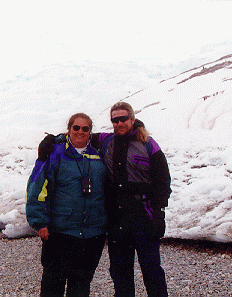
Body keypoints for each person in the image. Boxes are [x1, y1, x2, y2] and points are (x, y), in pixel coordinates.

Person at [39, 102, 172, 296]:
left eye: (123, 119)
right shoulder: (106, 140)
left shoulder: (149, 145)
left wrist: (159, 214)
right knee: (120, 274)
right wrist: (54, 140)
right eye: (115, 119)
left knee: (152, 272)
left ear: (132, 119)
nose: (119, 123)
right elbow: (80, 135)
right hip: (117, 221)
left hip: (144, 217)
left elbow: (163, 182)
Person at [26, 113, 107, 297]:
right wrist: (39, 222)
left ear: (90, 132)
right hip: (60, 232)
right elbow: (37, 188)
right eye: (76, 127)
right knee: (53, 283)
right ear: (69, 129)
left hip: (92, 234)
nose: (80, 132)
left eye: (85, 128)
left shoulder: (98, 155)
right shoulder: (54, 153)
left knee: (81, 284)